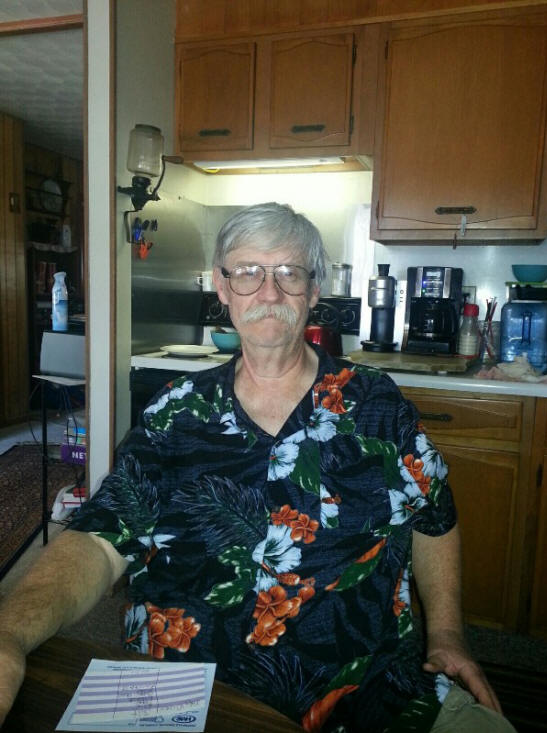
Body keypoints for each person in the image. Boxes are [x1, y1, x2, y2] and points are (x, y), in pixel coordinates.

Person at [0, 202, 516, 732]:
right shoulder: (175, 413)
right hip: (183, 697)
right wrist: (9, 636)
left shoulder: (378, 406)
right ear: (222, 288)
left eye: (288, 273)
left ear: (313, 291)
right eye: (248, 272)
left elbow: (434, 518)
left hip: (368, 697)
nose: (269, 293)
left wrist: (447, 635)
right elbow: (97, 541)